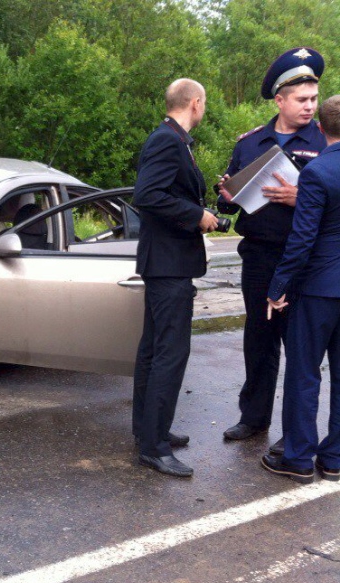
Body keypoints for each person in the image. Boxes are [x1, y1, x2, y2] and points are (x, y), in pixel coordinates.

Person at [218, 48, 325, 453]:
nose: (309, 106)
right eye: (302, 99)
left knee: (299, 345)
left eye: (314, 99)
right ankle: (253, 417)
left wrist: (303, 198)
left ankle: (294, 431)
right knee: (259, 338)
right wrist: (227, 196)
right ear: (279, 100)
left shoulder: (327, 142)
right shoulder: (250, 143)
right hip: (260, 255)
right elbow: (231, 202)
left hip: (305, 259)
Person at [132, 79, 218, 477]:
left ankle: (149, 430)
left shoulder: (174, 139)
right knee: (169, 353)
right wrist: (197, 215)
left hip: (166, 263)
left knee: (154, 352)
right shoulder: (168, 140)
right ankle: (154, 448)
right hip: (169, 265)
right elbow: (147, 195)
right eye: (204, 103)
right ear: (195, 103)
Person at [263, 95, 340, 485]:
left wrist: (277, 287)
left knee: (304, 373)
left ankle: (297, 458)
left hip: (318, 289)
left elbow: (302, 239)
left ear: (321, 128)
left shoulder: (317, 172)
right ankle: (335, 458)